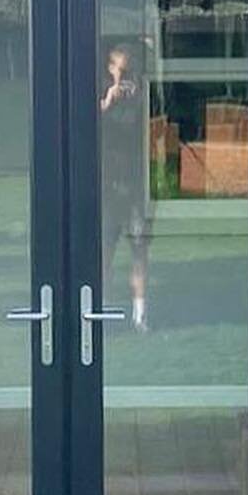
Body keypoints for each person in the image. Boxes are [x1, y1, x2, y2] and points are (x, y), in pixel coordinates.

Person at [100, 43, 152, 332]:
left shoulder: (141, 102)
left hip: (134, 189)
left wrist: (140, 99)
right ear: (110, 70)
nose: (125, 76)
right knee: (104, 251)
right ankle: (101, 311)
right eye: (121, 70)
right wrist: (109, 102)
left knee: (138, 250)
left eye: (130, 70)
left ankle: (140, 314)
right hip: (108, 189)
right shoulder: (103, 101)